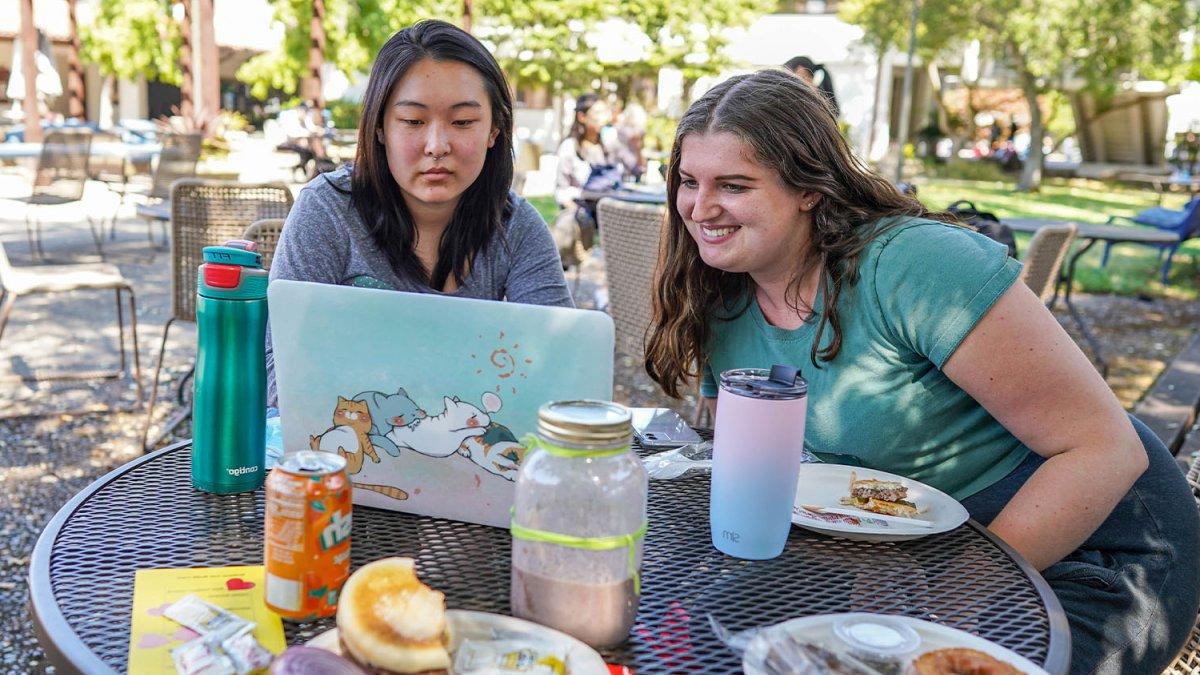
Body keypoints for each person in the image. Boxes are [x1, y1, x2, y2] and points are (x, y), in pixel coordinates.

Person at [643, 69, 1200, 675]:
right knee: (709, 641)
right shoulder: (720, 293)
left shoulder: (913, 264)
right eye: (689, 182)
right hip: (909, 548)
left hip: (1095, 545)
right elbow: (757, 477)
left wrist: (943, 600)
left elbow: (1104, 451)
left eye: (734, 185)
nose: (701, 208)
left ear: (809, 187)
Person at [266, 20, 573, 405]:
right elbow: (279, 374)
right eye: (413, 121)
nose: (436, 145)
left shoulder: (516, 227)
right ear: (379, 128)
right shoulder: (328, 210)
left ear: (494, 130)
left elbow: (561, 368)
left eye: (462, 122)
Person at [551, 93, 619, 264]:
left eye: (605, 112)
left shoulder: (608, 146)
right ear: (582, 117)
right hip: (583, 213)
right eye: (598, 113)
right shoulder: (570, 148)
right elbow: (560, 191)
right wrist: (576, 210)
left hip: (609, 212)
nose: (604, 118)